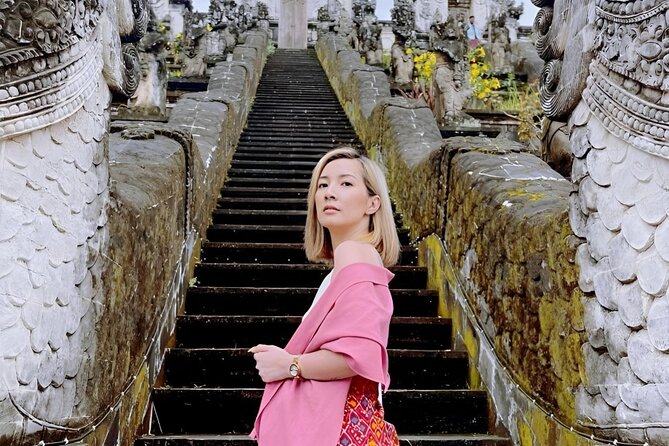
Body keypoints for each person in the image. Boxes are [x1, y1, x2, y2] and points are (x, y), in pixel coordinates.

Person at [248, 146, 401, 446]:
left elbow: (358, 355)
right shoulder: (349, 264)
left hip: (337, 426)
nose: (330, 192)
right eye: (323, 184)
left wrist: (290, 365)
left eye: (346, 183)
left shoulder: (353, 252)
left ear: (373, 203)